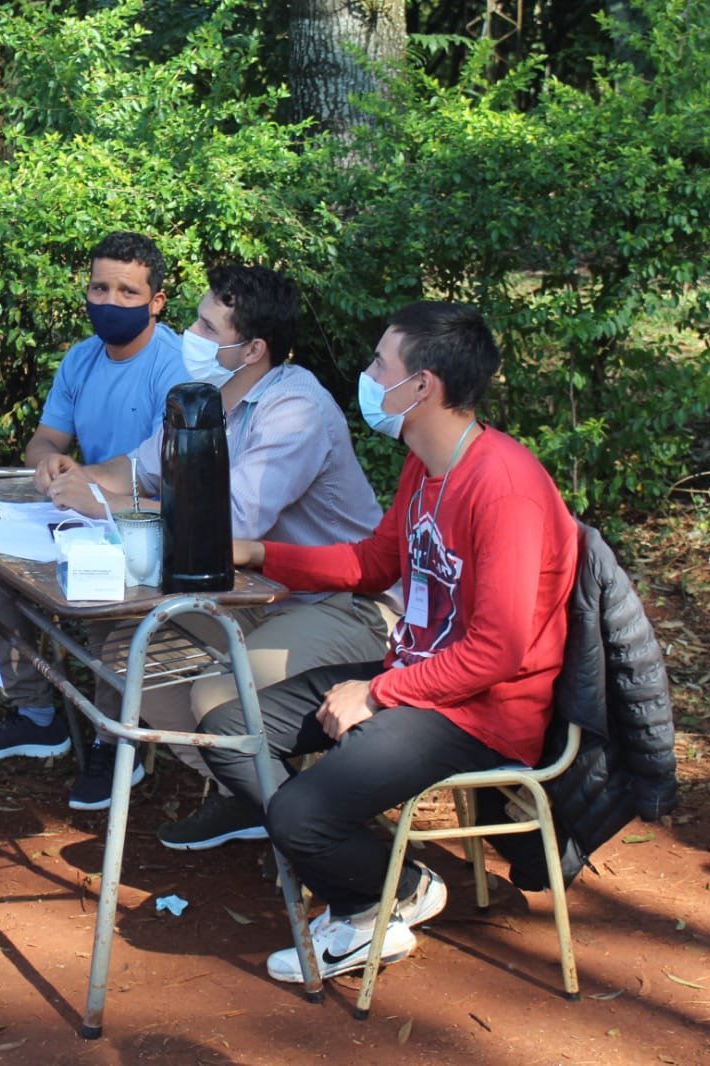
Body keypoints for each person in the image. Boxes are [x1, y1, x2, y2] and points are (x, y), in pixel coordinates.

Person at [198, 301, 578, 984]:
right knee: (230, 729)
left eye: (380, 363)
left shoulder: (504, 489)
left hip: (483, 711)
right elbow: (374, 564)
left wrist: (377, 691)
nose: (367, 375)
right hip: (422, 676)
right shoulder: (424, 464)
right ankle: (388, 885)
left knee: (299, 813)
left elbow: (498, 651)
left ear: (423, 385)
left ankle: (362, 902)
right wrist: (256, 552)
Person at [44, 265, 395, 815]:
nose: (192, 335)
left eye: (208, 328)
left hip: (337, 601)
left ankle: (306, 825)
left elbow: (234, 521)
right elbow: (140, 470)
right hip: (252, 592)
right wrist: (77, 475)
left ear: (253, 348)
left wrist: (111, 503)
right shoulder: (204, 394)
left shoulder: (296, 409)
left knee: (216, 695)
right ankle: (255, 797)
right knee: (128, 652)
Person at [0, 232, 187, 765]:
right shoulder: (82, 359)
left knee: (113, 603)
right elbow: (45, 439)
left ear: (156, 302)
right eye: (99, 288)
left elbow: (168, 476)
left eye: (128, 292)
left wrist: (89, 486)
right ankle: (34, 715)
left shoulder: (175, 368)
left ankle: (115, 744)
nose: (109, 302)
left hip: (144, 523)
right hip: (77, 512)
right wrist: (48, 464)